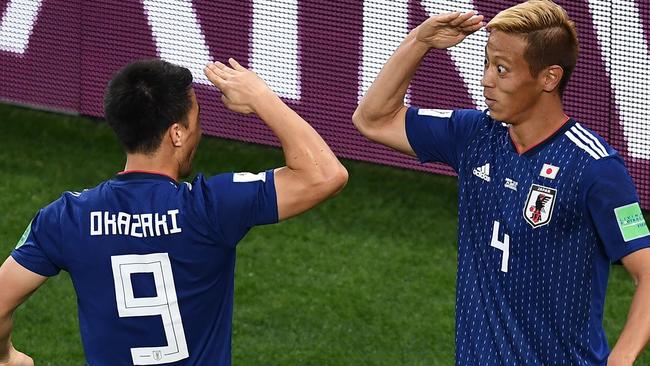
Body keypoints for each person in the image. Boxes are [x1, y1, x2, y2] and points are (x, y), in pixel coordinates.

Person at [353, 1, 650, 365]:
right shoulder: (474, 136)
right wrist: (419, 41)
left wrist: (621, 359)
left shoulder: (595, 168)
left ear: (548, 78)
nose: (485, 79)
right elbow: (373, 119)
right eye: (487, 64)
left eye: (502, 69)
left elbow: (648, 272)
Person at [0, 58, 348, 365]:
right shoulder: (211, 207)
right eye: (196, 120)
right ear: (177, 134)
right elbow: (325, 175)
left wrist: (7, 356)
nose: (200, 131)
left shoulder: (66, 217)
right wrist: (262, 97)